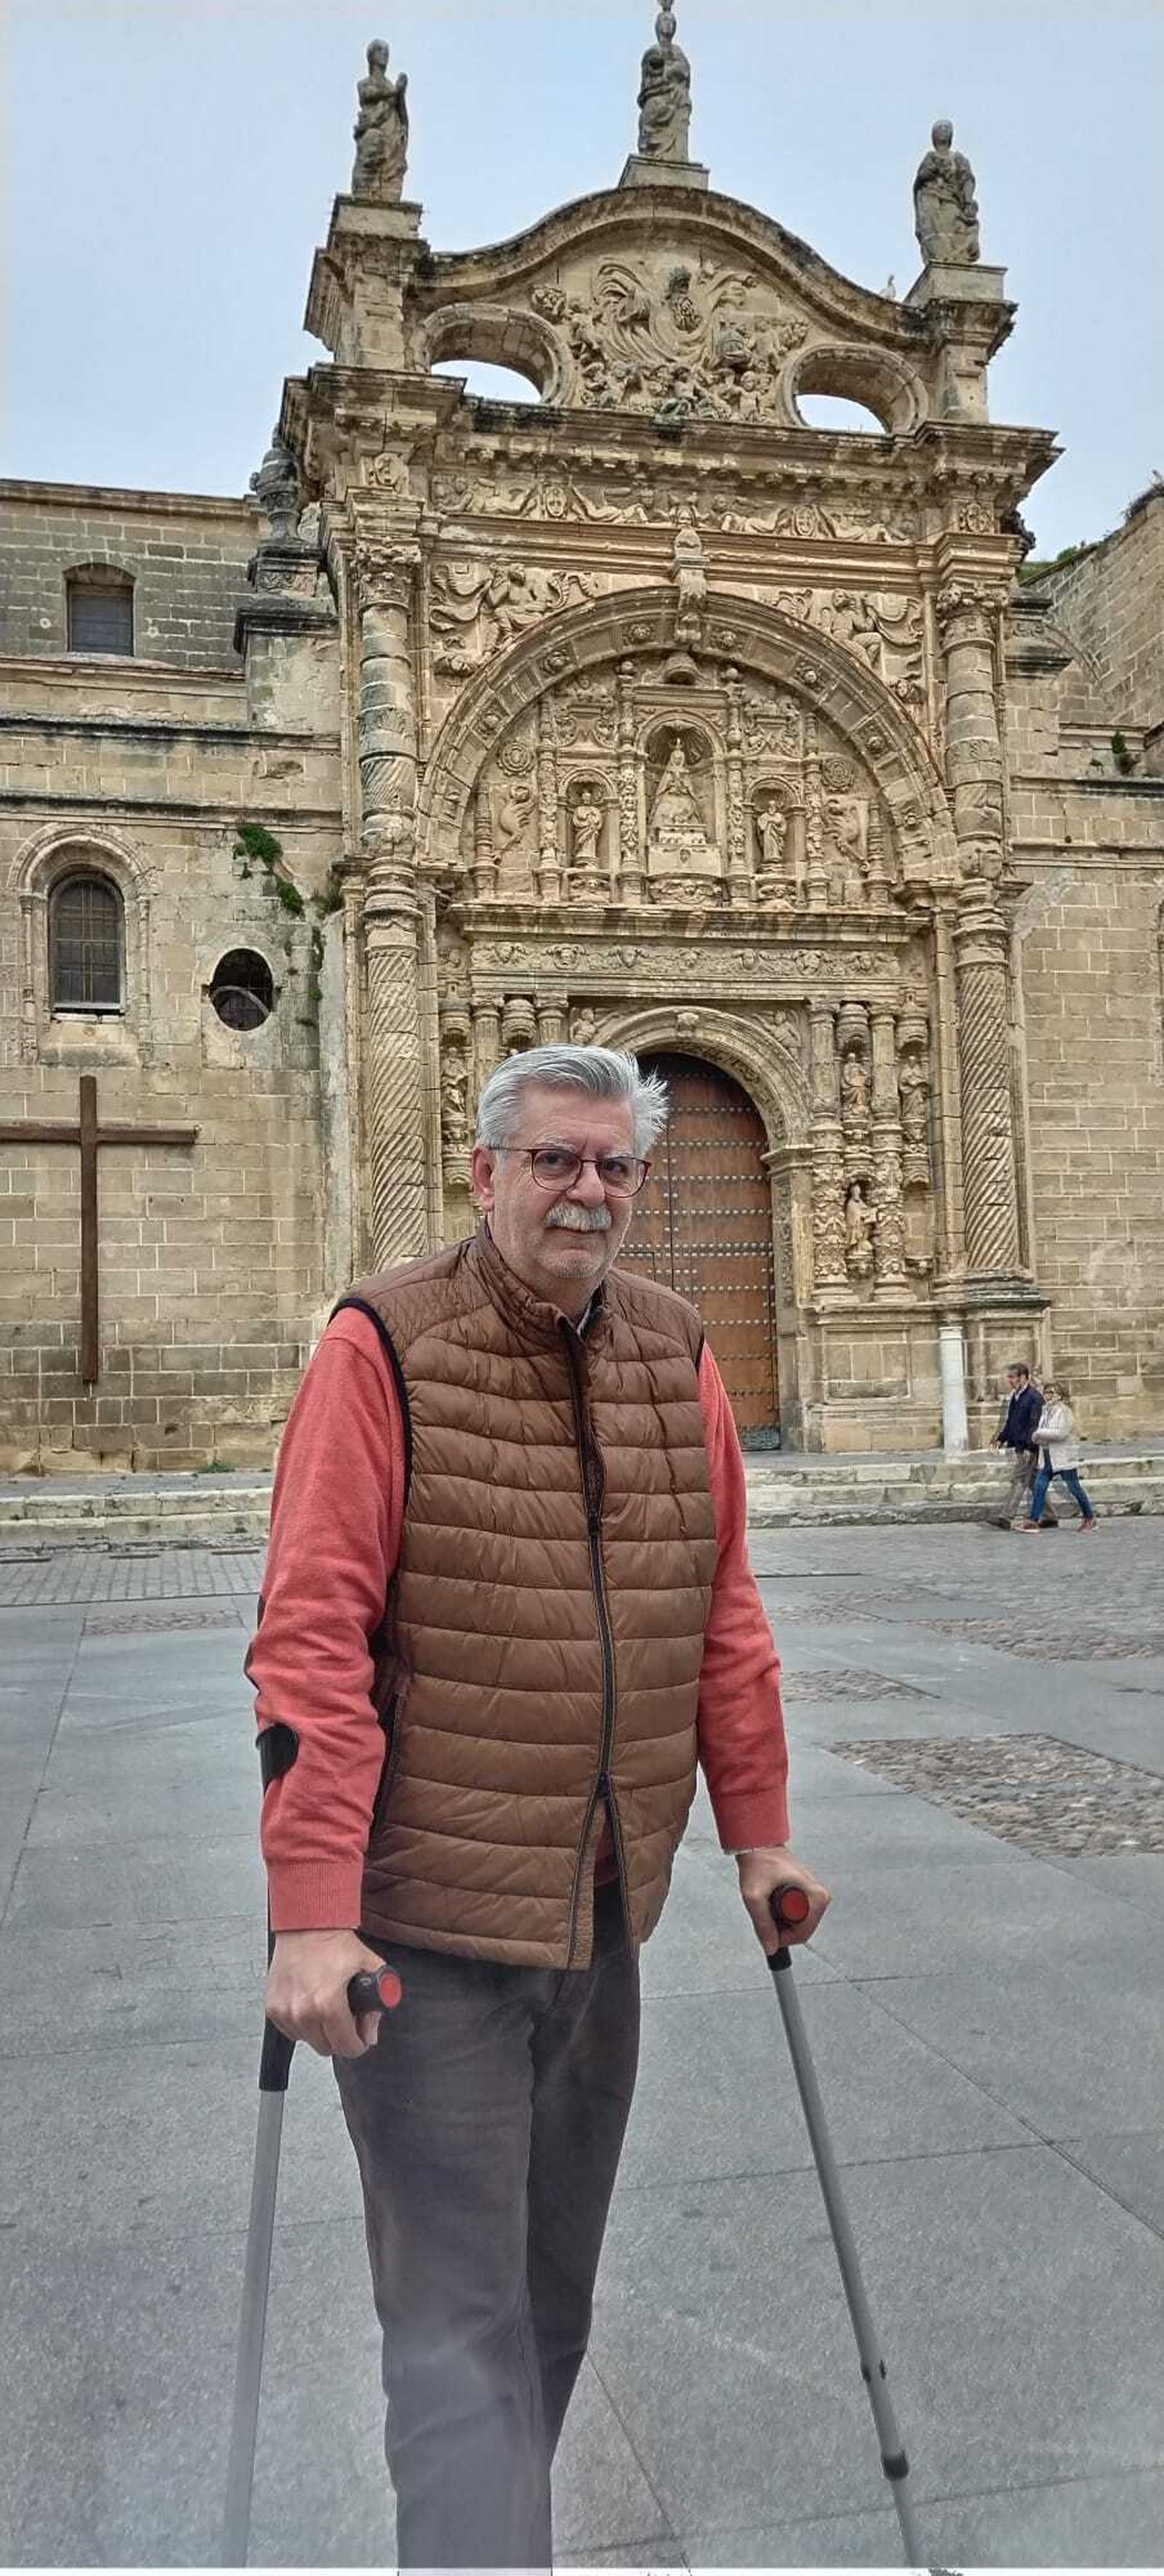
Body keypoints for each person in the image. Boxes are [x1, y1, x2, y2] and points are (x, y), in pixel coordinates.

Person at [246, 1043, 829, 2572]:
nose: (588, 1191)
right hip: (424, 1931)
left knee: (549, 2295)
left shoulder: (674, 1344)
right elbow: (310, 1631)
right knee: (457, 2319)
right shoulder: (383, 1344)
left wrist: (756, 1832)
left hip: (594, 1915)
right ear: (484, 1170)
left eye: (614, 1166)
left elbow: (719, 1609)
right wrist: (310, 1913)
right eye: (555, 1161)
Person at [1023, 1380, 1097, 1532]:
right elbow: (1041, 1431)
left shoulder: (1065, 1412)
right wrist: (1036, 1437)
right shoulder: (1045, 1411)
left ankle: (1090, 1518)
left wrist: (1039, 1434)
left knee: (1074, 1488)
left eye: (1052, 1393)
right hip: (1047, 1456)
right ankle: (1033, 1521)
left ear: (1060, 1396)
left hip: (1063, 1458)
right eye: (1046, 1392)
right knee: (1039, 1487)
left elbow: (1061, 1433)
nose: (1048, 1396)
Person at [991, 1361, 1056, 1530]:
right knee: (1034, 1483)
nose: (1009, 1381)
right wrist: (1001, 1438)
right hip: (1020, 1445)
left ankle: (1006, 1517)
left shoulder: (1034, 1398)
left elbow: (1035, 1425)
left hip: (1030, 1447)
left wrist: (1030, 1447)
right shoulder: (1016, 1396)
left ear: (1023, 1378)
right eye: (1009, 1377)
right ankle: (1050, 1517)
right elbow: (1011, 1421)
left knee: (1019, 1480)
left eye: (1012, 1377)